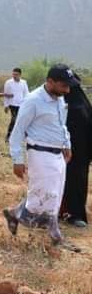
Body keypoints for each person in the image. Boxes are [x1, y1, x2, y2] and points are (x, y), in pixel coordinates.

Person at [3, 64, 77, 248]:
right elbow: (17, 132)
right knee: (44, 196)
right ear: (50, 81)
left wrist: (67, 144)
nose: (67, 90)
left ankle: (14, 214)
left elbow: (61, 125)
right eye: (64, 86)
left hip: (58, 154)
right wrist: (17, 160)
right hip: (40, 153)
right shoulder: (33, 101)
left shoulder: (59, 99)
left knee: (54, 195)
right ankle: (53, 236)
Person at [60, 73, 92, 228]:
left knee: (72, 182)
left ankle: (72, 213)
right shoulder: (82, 105)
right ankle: (69, 212)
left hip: (75, 154)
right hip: (74, 154)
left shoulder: (74, 107)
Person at [3, 67, 29, 142]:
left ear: (20, 75)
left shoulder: (24, 82)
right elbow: (6, 94)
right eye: (13, 74)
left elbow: (26, 94)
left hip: (21, 105)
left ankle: (21, 137)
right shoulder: (8, 82)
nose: (14, 76)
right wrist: (6, 105)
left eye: (16, 74)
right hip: (12, 104)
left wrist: (27, 104)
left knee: (21, 120)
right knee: (14, 120)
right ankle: (8, 137)